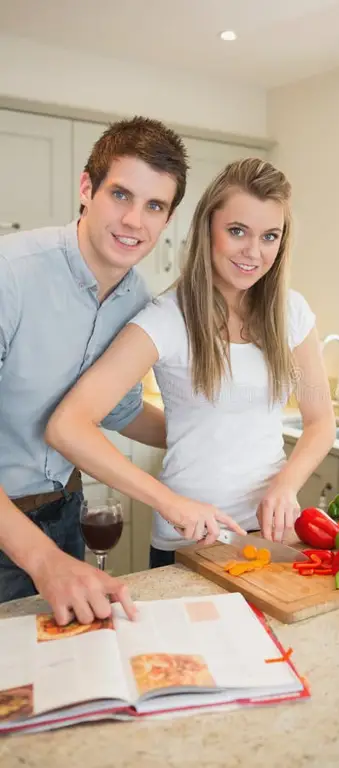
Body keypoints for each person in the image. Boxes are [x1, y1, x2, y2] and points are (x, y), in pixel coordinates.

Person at [0, 115, 240, 625]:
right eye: (121, 195)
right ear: (87, 189)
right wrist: (43, 561)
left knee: (60, 682)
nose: (135, 221)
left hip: (64, 513)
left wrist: (211, 433)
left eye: (154, 205)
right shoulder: (10, 275)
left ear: (168, 219)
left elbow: (122, 411)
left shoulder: (135, 298)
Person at [46, 157, 336, 568]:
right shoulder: (167, 317)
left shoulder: (291, 313)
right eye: (237, 231)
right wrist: (171, 503)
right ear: (208, 230)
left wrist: (287, 486)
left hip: (273, 536)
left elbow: (321, 421)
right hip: (192, 542)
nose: (253, 252)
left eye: (270, 236)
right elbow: (68, 426)